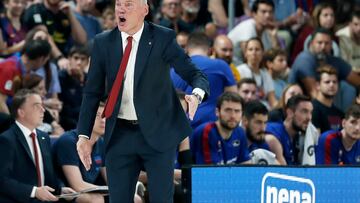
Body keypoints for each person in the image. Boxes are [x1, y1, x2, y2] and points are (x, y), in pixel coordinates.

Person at [76, 0, 210, 202]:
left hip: (158, 132)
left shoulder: (162, 38)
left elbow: (194, 74)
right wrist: (84, 135)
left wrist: (197, 95)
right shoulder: (103, 42)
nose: (121, 9)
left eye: (128, 5)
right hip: (119, 134)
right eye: (118, 4)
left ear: (144, 10)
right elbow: (91, 93)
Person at [0, 89, 74, 202]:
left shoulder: (44, 137)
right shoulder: (7, 139)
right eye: (36, 106)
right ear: (21, 112)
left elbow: (49, 173)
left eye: (42, 105)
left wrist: (60, 189)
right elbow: (2, 180)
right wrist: (34, 191)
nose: (43, 110)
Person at [171, 32, 236, 129]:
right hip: (212, 129)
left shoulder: (173, 70)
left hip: (184, 129)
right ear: (210, 50)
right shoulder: (221, 66)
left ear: (187, 49)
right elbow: (234, 98)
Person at [54, 103, 109, 203]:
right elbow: (77, 185)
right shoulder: (68, 141)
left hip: (91, 190)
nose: (103, 120)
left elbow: (110, 179)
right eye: (97, 116)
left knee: (133, 198)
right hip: (66, 194)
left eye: (105, 115)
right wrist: (110, 189)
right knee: (96, 199)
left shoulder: (101, 143)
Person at [191, 92, 251, 165]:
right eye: (228, 110)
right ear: (217, 112)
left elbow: (245, 164)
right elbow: (209, 172)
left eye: (237, 111)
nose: (233, 115)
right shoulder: (207, 131)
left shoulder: (240, 132)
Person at [0, 39, 51, 114]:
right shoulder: (9, 68)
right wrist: (12, 123)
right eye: (46, 60)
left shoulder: (26, 72)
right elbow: (1, 101)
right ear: (41, 59)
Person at [266, 95, 313, 165]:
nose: (309, 117)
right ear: (290, 113)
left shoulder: (298, 137)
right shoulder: (275, 131)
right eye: (304, 111)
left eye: (311, 112)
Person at [242, 100, 285, 165]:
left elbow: (282, 171)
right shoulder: (235, 144)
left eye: (265, 123)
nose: (263, 128)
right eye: (258, 122)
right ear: (245, 121)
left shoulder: (264, 143)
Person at [312, 65, 344, 133]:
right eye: (327, 82)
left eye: (334, 82)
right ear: (318, 85)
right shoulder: (312, 109)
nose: (331, 85)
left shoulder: (340, 113)